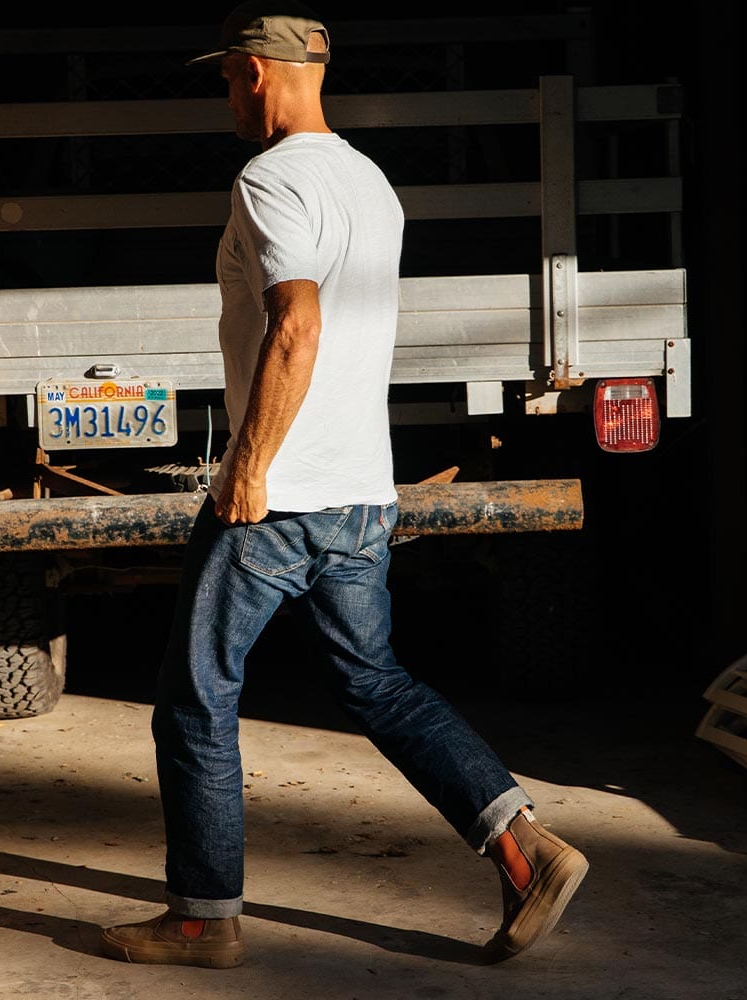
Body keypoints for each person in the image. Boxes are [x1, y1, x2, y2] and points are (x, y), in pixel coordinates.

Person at [100, 2, 588, 969]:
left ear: (258, 72)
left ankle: (204, 918)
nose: (226, 95)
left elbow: (299, 323)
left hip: (284, 497)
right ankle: (523, 846)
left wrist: (248, 465)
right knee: (376, 682)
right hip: (364, 488)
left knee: (195, 699)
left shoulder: (270, 178)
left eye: (229, 77)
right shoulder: (370, 181)